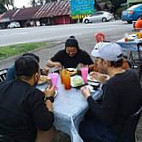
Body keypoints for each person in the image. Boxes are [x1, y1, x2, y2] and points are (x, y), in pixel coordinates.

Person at [79, 42, 142, 142]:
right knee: (90, 113)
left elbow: (104, 117)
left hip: (116, 132)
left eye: (98, 60)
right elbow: (120, 89)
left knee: (82, 126)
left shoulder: (112, 85)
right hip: (128, 125)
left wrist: (88, 96)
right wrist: (104, 81)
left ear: (106, 63)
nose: (96, 64)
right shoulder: (132, 74)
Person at [0, 56, 54, 142]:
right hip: (20, 138)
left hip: (2, 134)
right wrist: (49, 98)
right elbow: (46, 124)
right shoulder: (34, 94)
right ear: (36, 75)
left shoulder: (3, 85)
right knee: (50, 130)